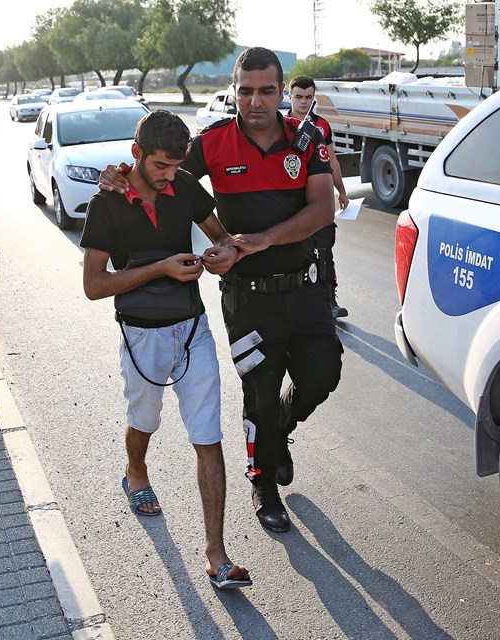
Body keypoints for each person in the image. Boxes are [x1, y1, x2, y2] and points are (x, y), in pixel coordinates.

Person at [99, 47, 343, 534]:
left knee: (322, 376)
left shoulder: (307, 139)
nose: (256, 101)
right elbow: (157, 169)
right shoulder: (211, 144)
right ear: (235, 92)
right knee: (259, 389)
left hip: (307, 289)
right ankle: (265, 482)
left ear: (281, 92)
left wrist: (263, 240)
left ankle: (281, 426)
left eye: (267, 91)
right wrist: (118, 176)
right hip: (247, 296)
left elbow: (322, 209)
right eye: (246, 91)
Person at [80, 110, 251, 589]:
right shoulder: (107, 203)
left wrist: (222, 255)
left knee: (208, 435)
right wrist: (161, 269)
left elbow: (220, 237)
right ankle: (136, 469)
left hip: (193, 327)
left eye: (175, 166)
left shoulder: (185, 184)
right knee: (145, 420)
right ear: (136, 154)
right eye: (159, 166)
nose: (168, 175)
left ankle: (216, 556)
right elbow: (94, 285)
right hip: (141, 335)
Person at [288, 75, 349, 319]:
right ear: (289, 96)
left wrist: (342, 192)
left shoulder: (322, 126)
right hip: (292, 204)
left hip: (319, 203)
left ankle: (329, 302)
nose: (304, 102)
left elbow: (332, 160)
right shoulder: (279, 125)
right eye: (299, 97)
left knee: (325, 253)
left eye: (309, 97)